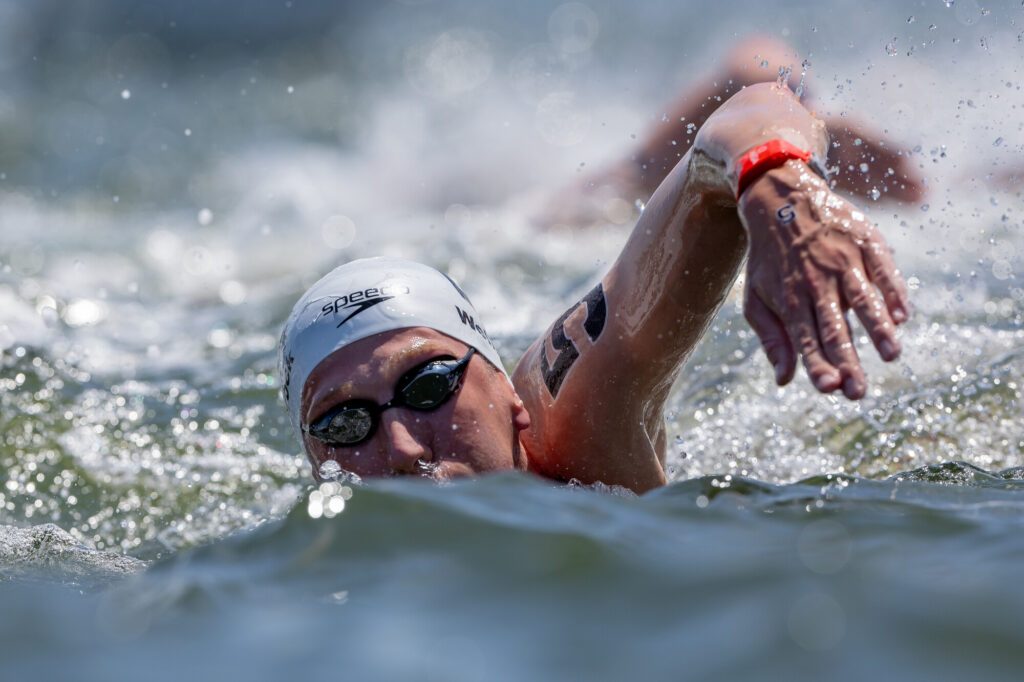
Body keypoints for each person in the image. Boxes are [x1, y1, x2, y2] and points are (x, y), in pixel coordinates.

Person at [278, 44, 914, 494]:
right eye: (344, 423)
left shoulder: (571, 425)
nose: (403, 450)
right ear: (313, 461)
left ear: (509, 396)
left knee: (618, 188)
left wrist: (779, 189)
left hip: (552, 222)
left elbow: (745, 114)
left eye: (428, 385)